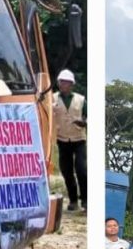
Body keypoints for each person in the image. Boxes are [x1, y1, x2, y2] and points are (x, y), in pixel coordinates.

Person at [52, 68, 86, 211]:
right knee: (66, 171)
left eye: (66, 83)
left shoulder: (80, 99)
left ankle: (85, 200)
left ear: (71, 84)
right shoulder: (52, 98)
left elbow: (87, 116)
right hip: (62, 138)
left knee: (81, 169)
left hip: (78, 139)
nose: (63, 85)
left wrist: (83, 122)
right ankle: (73, 201)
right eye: (61, 82)